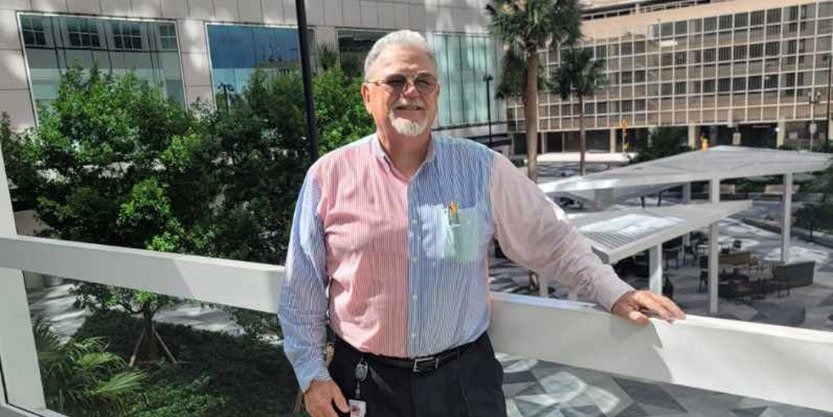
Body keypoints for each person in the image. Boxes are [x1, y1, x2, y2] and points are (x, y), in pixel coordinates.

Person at [278, 30, 685, 417]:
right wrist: (312, 375)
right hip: (365, 383)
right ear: (368, 96)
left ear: (437, 94)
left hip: (464, 382)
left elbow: (550, 240)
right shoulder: (327, 177)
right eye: (396, 80)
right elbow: (302, 290)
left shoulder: (482, 169)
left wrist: (613, 290)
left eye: (424, 81)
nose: (412, 92)